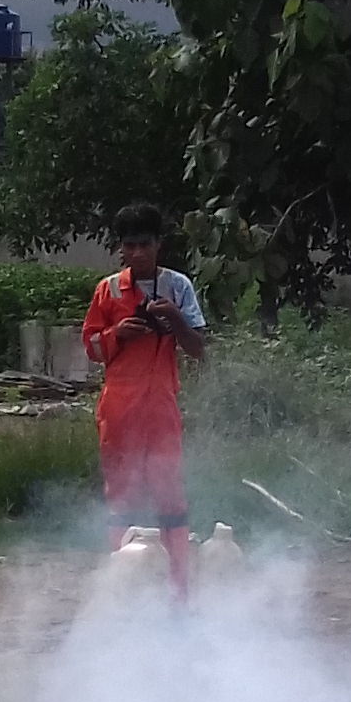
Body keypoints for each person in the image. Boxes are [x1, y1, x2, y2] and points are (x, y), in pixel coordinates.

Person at [79, 203, 209, 594]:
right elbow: (91, 348)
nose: (138, 253)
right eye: (130, 245)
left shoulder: (178, 287)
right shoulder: (108, 290)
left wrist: (175, 320)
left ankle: (178, 592)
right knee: (121, 494)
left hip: (161, 405)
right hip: (118, 408)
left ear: (158, 244)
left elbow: (198, 348)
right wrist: (118, 333)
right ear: (120, 247)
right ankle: (123, 588)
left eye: (145, 245)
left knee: (170, 496)